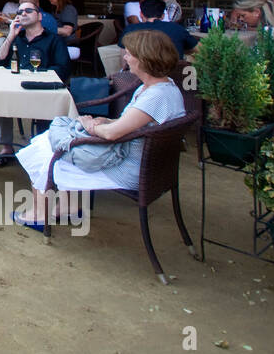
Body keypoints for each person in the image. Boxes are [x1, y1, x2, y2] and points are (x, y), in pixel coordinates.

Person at [10, 29, 186, 229]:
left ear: (144, 60)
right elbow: (136, 124)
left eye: (129, 53)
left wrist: (91, 126)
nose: (125, 57)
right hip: (144, 162)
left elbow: (113, 134)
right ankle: (68, 207)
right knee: (47, 140)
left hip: (128, 168)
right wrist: (105, 121)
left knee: (43, 150)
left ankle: (40, 214)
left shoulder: (156, 96)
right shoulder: (163, 86)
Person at [0, 0, 71, 165]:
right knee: (1, 97)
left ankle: (43, 151)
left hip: (42, 91)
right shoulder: (16, 39)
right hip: (14, 89)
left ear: (39, 16)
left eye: (28, 11)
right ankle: (6, 148)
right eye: (19, 12)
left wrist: (37, 75)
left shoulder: (54, 40)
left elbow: (63, 69)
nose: (23, 14)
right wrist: (10, 36)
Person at [120, 0, 198, 57]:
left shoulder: (130, 30)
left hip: (141, 76)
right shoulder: (178, 28)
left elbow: (124, 57)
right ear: (163, 16)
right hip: (174, 75)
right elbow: (199, 50)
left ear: (141, 14)